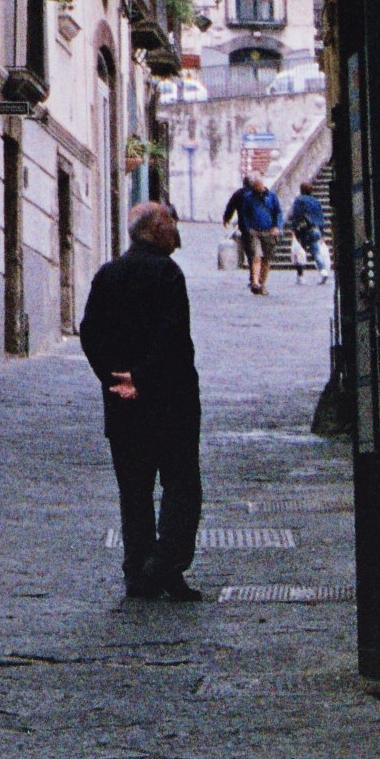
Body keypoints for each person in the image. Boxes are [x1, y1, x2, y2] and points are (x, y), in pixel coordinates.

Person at [79, 201, 203, 601]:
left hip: (124, 404)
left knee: (134, 491)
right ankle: (164, 565)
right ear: (157, 228)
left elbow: (90, 332)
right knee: (181, 485)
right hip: (170, 402)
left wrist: (116, 378)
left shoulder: (108, 274)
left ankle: (138, 571)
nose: (177, 232)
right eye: (172, 224)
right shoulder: (167, 274)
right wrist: (142, 378)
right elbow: (171, 337)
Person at [222, 167, 283, 296]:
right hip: (251, 230)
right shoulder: (247, 197)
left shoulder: (270, 196)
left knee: (263, 258)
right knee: (255, 255)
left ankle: (260, 282)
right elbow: (242, 211)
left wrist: (277, 226)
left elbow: (278, 212)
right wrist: (247, 226)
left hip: (265, 230)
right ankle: (255, 282)